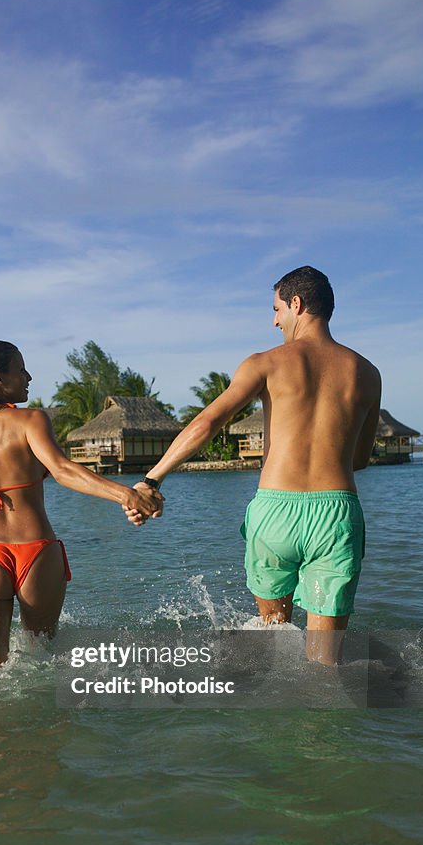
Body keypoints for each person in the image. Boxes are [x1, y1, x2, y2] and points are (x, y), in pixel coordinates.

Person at [128, 266, 381, 665]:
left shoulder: (265, 362)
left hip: (275, 510)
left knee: (273, 643)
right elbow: (361, 460)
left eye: (277, 308)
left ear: (296, 304)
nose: (274, 319)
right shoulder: (366, 372)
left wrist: (151, 479)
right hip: (336, 514)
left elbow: (207, 423)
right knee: (325, 661)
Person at [0, 341, 162, 668]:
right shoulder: (32, 420)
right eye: (20, 370)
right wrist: (127, 495)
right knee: (42, 666)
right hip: (35, 552)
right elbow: (63, 470)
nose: (29, 377)